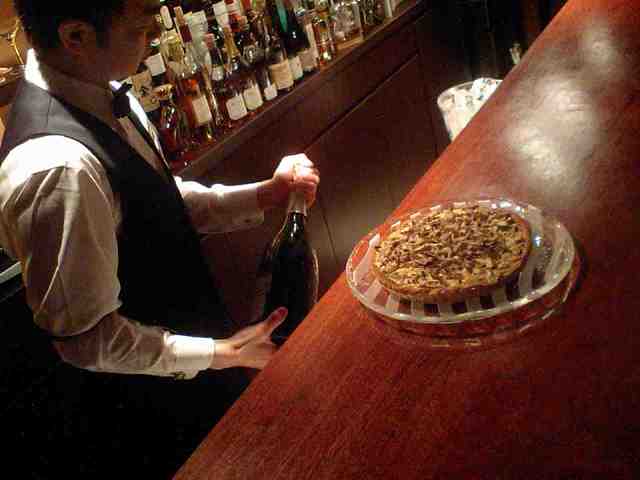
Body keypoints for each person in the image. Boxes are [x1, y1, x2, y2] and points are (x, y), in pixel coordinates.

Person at [0, 0, 319, 477]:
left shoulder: (103, 91)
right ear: (76, 37)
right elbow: (86, 340)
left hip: (193, 364)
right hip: (142, 410)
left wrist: (265, 194)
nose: (155, 35)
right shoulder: (58, 170)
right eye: (143, 24)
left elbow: (158, 199)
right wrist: (218, 354)